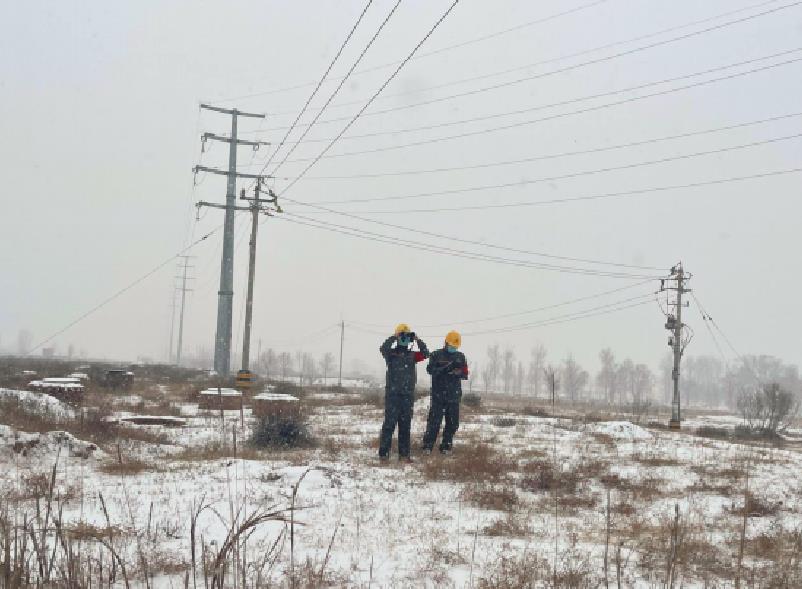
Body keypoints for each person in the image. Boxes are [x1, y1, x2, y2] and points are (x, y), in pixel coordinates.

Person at [378, 324, 429, 461]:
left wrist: (417, 339)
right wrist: (394, 337)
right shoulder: (391, 354)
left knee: (405, 426)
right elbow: (383, 348)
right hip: (393, 395)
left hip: (407, 396)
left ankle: (404, 455)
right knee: (389, 425)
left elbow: (425, 353)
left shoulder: (412, 355)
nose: (404, 339)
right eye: (402, 336)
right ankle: (384, 454)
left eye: (407, 337)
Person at [422, 330, 468, 455]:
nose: (453, 348)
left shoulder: (461, 357)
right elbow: (431, 370)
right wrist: (447, 368)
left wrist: (458, 372)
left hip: (454, 396)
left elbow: (465, 374)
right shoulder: (436, 355)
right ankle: (427, 446)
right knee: (434, 422)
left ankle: (446, 446)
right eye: (451, 345)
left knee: (452, 423)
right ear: (446, 343)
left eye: (455, 346)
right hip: (438, 395)